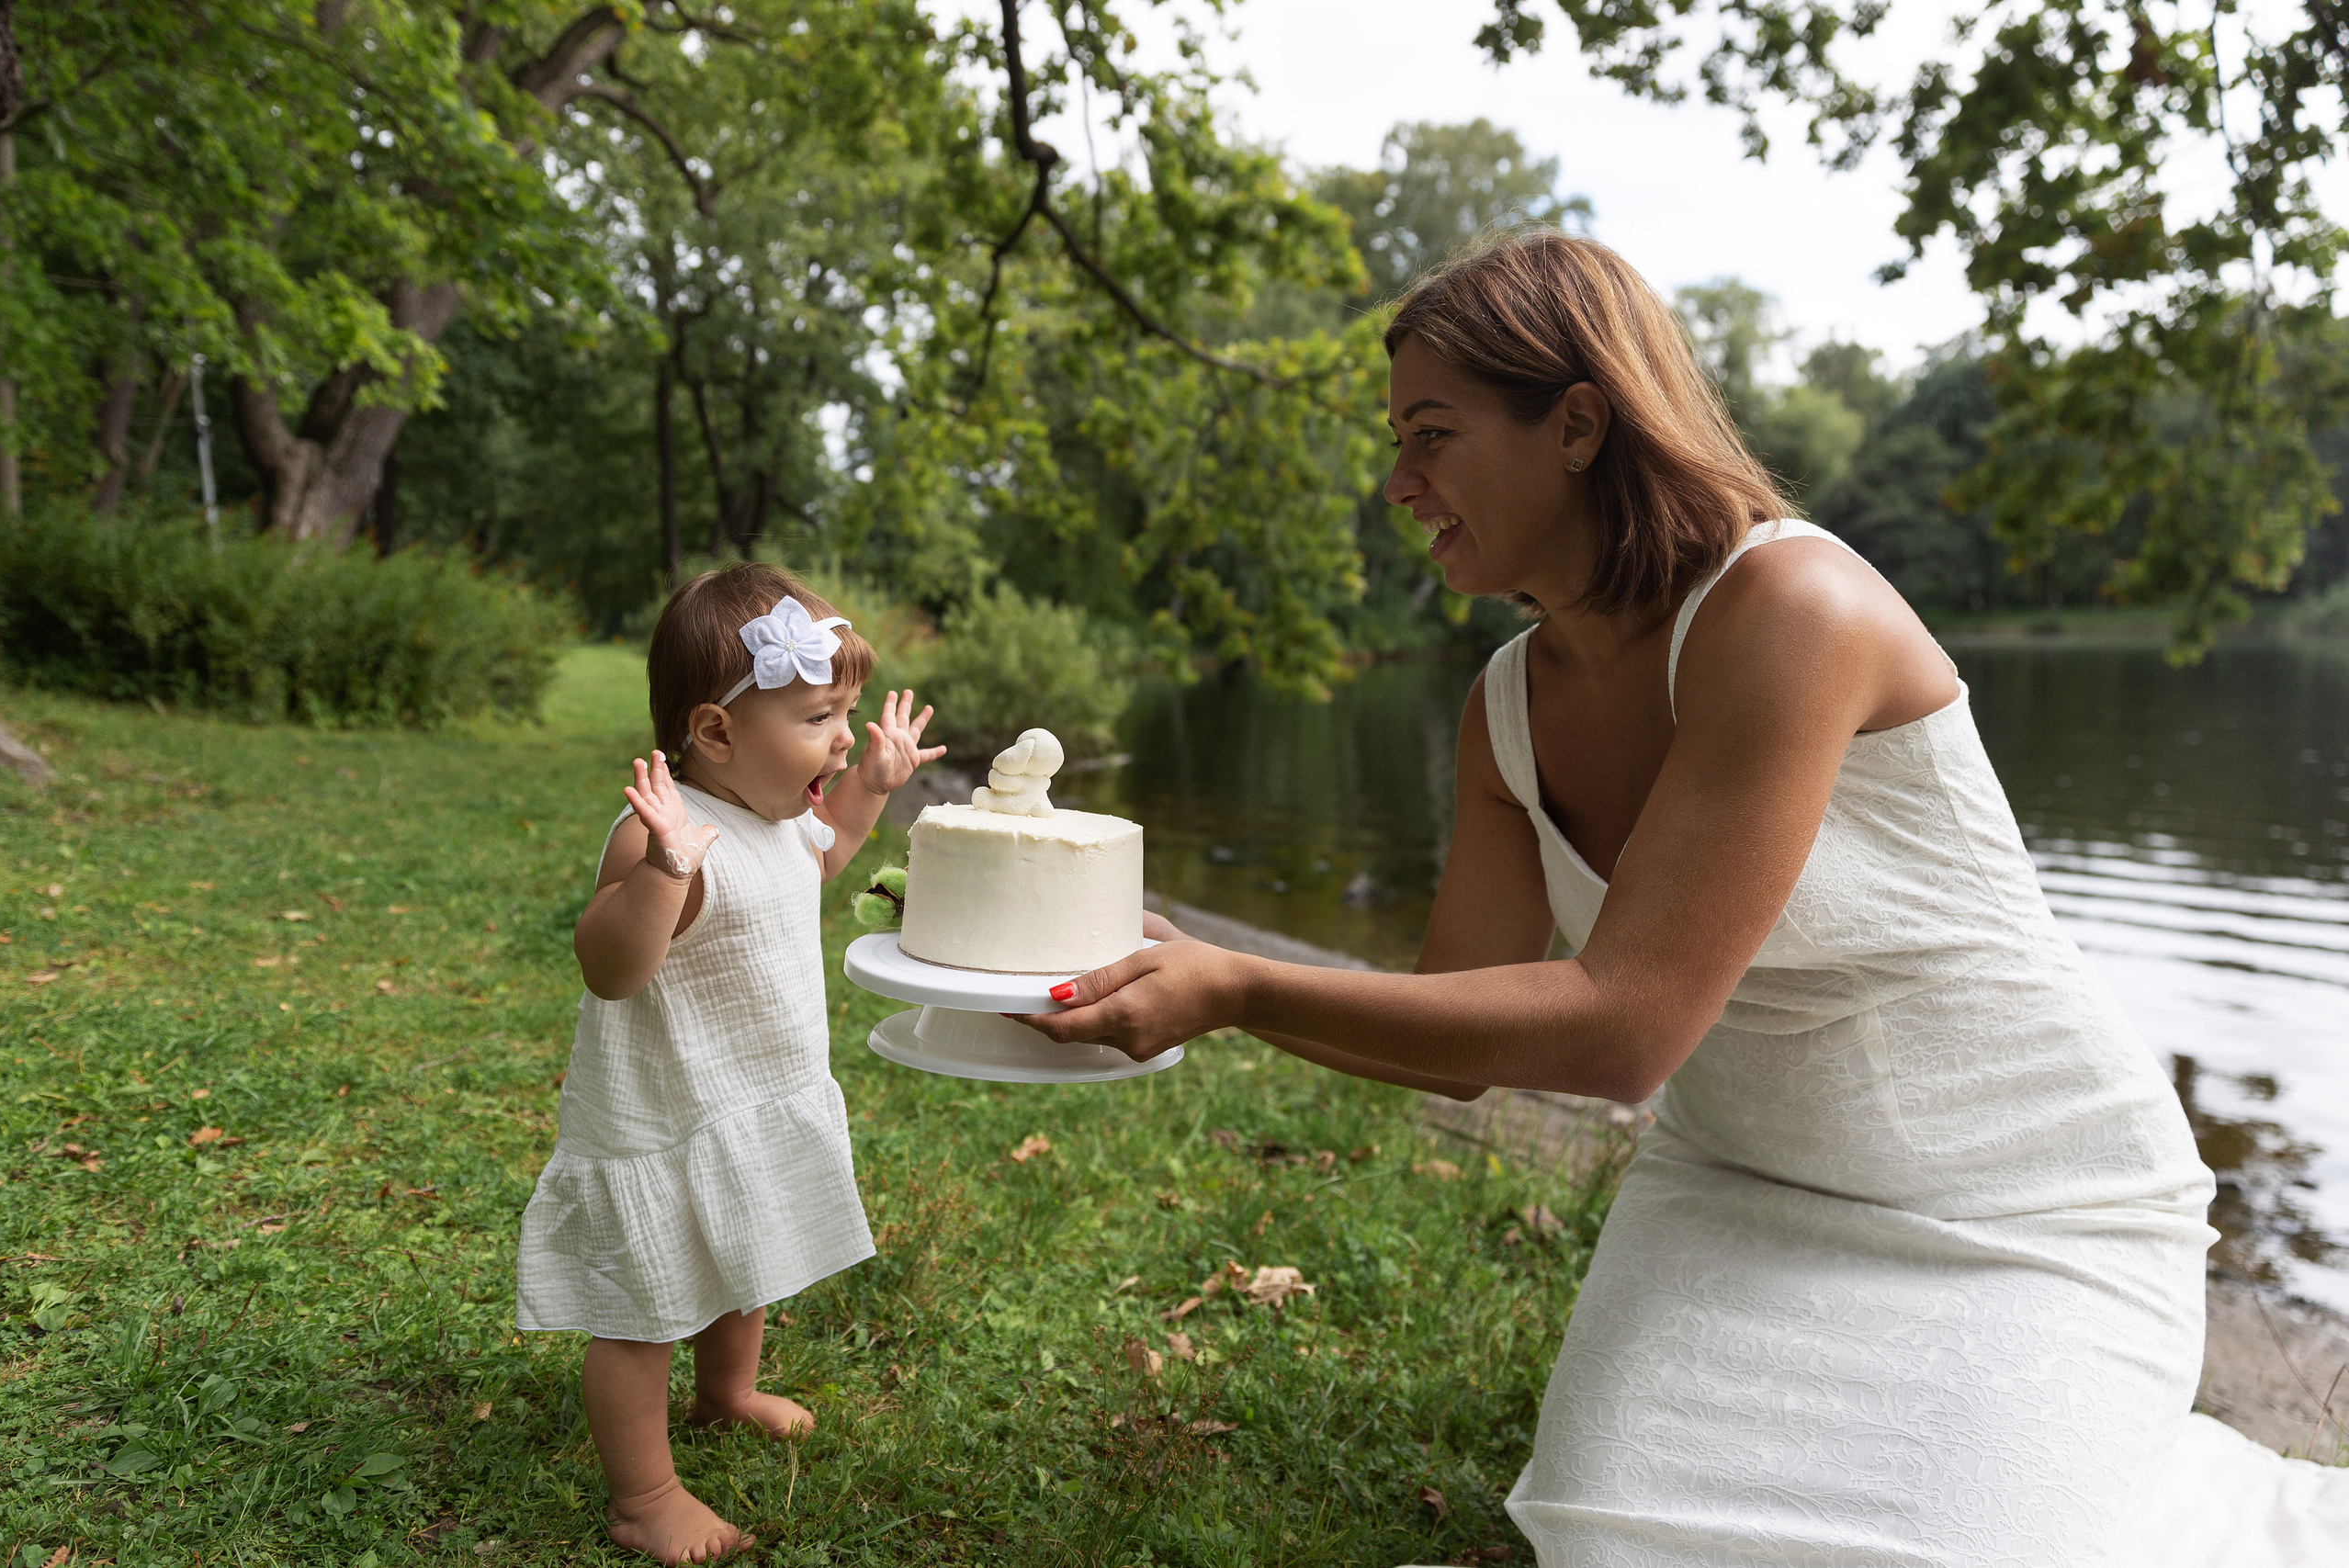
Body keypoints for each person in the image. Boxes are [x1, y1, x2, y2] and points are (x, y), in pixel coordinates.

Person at [1025, 233, 2349, 1563]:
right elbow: (1451, 1032)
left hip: (2030, 1201)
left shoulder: (1792, 605)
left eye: (1432, 435)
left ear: (1579, 424)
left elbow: (1625, 1030)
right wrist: (1193, 975)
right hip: (1745, 1183)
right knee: (1614, 1539)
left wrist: (1243, 983)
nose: (1398, 482)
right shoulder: (1504, 707)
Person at [516, 564, 943, 1565]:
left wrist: (871, 789)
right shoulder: (667, 838)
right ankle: (646, 1496)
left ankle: (725, 1393)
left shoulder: (779, 811)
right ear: (714, 734)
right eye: (818, 716)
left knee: (745, 1257)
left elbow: (821, 857)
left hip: (748, 1095)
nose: (842, 737)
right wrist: (663, 870)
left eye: (844, 713)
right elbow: (611, 968)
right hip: (668, 1115)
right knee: (644, 1310)